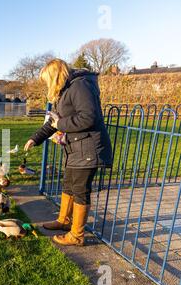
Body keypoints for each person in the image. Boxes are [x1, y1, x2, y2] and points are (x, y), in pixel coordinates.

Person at [24, 59, 113, 246]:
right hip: (75, 149)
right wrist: (35, 138)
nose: (47, 84)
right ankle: (64, 221)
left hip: (89, 148)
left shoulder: (80, 86)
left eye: (48, 79)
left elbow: (89, 117)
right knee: (68, 185)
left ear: (56, 75)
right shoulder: (64, 90)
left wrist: (61, 125)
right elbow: (53, 122)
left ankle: (77, 235)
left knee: (80, 190)